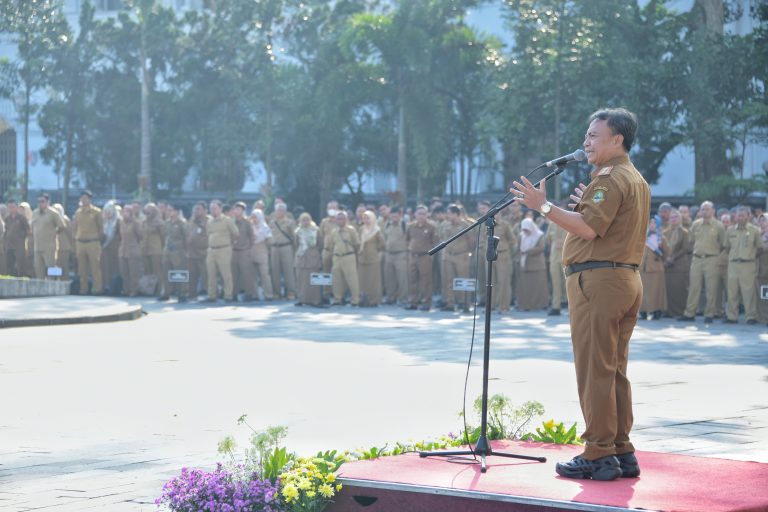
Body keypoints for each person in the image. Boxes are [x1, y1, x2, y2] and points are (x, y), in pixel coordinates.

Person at [511, 107, 649, 481]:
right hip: (621, 280)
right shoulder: (631, 178)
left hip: (600, 282)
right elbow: (599, 224)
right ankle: (620, 449)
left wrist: (541, 205)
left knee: (595, 370)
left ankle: (598, 453)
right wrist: (575, 209)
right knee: (613, 369)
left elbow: (587, 230)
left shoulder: (609, 178)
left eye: (593, 135)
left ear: (617, 139)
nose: (586, 142)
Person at [678, 201, 725, 323]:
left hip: (712, 259)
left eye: (707, 209)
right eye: (702, 209)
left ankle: (709, 314)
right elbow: (691, 241)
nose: (704, 211)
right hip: (697, 259)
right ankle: (689, 313)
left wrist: (714, 254)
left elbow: (724, 244)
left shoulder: (719, 226)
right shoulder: (695, 224)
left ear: (713, 211)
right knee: (694, 287)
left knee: (711, 288)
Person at [723, 206, 761, 324]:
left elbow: (759, 248)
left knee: (748, 292)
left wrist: (750, 256)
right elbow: (727, 247)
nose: (740, 218)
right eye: (738, 215)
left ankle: (750, 316)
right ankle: (732, 316)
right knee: (732, 291)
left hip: (748, 264)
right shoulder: (730, 230)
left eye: (743, 215)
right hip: (733, 264)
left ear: (748, 216)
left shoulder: (755, 230)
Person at [405, 206, 439, 311]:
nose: (421, 216)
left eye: (423, 214)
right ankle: (413, 302)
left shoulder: (431, 226)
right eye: (419, 213)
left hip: (425, 256)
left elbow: (435, 242)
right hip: (412, 256)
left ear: (427, 214)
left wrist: (431, 255)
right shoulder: (410, 226)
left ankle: (426, 302)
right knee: (412, 280)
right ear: (415, 214)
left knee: (426, 281)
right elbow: (407, 239)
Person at [440, 204, 473, 312]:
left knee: (462, 280)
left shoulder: (465, 225)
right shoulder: (444, 225)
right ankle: (450, 303)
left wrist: (468, 252)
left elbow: (471, 241)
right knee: (448, 280)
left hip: (461, 255)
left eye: (449, 213)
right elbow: (441, 238)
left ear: (456, 214)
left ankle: (464, 303)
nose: (447, 215)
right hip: (448, 256)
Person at [204, 199, 238, 303]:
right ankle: (212, 295)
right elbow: (208, 234)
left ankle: (228, 295)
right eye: (211, 209)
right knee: (211, 274)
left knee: (226, 274)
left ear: (220, 209)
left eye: (215, 208)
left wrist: (228, 245)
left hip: (224, 249)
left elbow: (236, 234)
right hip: (211, 250)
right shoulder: (209, 221)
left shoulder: (227, 220)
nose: (212, 210)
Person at [73, 190, 104, 294]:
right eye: (81, 198)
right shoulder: (78, 212)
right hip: (80, 242)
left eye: (85, 198)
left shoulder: (96, 212)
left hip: (93, 242)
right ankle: (83, 289)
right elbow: (75, 227)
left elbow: (101, 228)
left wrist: (98, 239)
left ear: (90, 199)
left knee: (95, 267)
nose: (83, 200)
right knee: (82, 269)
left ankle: (98, 288)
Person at [662, 208, 690, 317]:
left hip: (679, 264)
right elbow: (662, 248)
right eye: (672, 217)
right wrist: (666, 258)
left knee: (680, 289)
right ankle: (668, 311)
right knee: (669, 290)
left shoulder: (684, 232)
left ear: (680, 219)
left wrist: (673, 258)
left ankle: (680, 311)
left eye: (676, 217)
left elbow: (685, 248)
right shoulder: (665, 232)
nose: (674, 219)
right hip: (667, 265)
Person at [329, 211, 360, 306]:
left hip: (348, 256)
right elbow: (331, 245)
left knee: (352, 279)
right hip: (337, 256)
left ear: (346, 219)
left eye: (342, 218)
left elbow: (356, 243)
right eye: (338, 219)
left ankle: (355, 300)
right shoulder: (334, 231)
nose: (340, 220)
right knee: (336, 279)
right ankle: (337, 299)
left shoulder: (351, 230)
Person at [516, 217, 548, 310]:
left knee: (539, 286)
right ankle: (526, 305)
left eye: (527, 229)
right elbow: (518, 247)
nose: (525, 231)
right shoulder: (521, 236)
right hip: (525, 264)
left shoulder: (539, 235)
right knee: (526, 287)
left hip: (537, 265)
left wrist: (527, 251)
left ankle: (541, 305)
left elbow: (541, 248)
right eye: (524, 229)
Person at [639, 217, 667, 320]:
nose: (652, 224)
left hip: (656, 268)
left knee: (656, 291)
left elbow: (667, 252)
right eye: (650, 222)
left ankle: (656, 311)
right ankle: (643, 311)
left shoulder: (661, 238)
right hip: (643, 268)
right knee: (643, 291)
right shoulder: (642, 237)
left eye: (654, 223)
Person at [30, 193, 63, 279]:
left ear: (48, 202)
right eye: (38, 201)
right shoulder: (35, 213)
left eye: (42, 201)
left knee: (52, 267)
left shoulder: (53, 213)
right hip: (37, 247)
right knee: (38, 268)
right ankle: (41, 288)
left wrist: (53, 234)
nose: (40, 203)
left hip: (50, 247)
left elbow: (61, 226)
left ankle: (56, 283)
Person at [160, 204, 188, 302]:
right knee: (166, 272)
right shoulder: (167, 222)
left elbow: (186, 237)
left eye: (171, 210)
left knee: (179, 273)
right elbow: (164, 235)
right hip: (167, 250)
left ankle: (182, 293)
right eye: (168, 210)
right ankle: (166, 293)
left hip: (178, 251)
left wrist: (184, 250)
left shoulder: (182, 223)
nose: (169, 212)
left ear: (176, 211)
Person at [269, 202, 297, 300]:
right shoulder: (271, 222)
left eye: (282, 210)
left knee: (288, 271)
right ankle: (276, 293)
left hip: (286, 247)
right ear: (275, 211)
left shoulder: (290, 222)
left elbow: (294, 237)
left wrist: (295, 249)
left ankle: (291, 292)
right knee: (275, 271)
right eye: (278, 210)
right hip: (274, 248)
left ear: (285, 211)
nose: (279, 212)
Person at [357, 210, 385, 306]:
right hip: (362, 258)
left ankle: (374, 300)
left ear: (372, 218)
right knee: (362, 280)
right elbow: (358, 241)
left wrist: (374, 250)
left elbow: (382, 243)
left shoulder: (377, 230)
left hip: (373, 258)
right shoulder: (361, 229)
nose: (366, 220)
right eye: (364, 218)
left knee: (373, 280)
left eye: (368, 218)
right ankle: (362, 299)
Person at [294, 212, 322, 306]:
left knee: (313, 279)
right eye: (303, 220)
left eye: (307, 220)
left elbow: (320, 243)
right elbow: (296, 244)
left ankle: (315, 300)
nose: (305, 222)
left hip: (313, 257)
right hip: (301, 257)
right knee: (301, 279)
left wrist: (314, 252)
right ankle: (302, 299)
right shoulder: (298, 231)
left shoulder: (316, 230)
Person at [382, 207, 408, 305]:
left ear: (400, 215)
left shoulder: (404, 225)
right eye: (392, 216)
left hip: (401, 254)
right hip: (389, 254)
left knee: (402, 279)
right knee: (389, 278)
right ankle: (390, 298)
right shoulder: (387, 224)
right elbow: (385, 237)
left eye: (396, 216)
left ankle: (403, 299)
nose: (394, 218)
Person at [231, 202, 256, 301]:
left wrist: (249, 248)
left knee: (246, 274)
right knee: (233, 273)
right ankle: (233, 294)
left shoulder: (247, 222)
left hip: (244, 250)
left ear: (243, 211)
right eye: (235, 209)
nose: (236, 211)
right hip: (233, 250)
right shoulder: (230, 221)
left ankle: (249, 294)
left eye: (239, 209)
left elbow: (252, 236)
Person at [249, 209, 275, 301]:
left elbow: (271, 241)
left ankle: (269, 294)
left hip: (262, 252)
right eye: (253, 217)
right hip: (251, 252)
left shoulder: (265, 228)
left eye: (256, 217)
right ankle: (254, 295)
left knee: (265, 275)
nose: (254, 219)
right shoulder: (250, 227)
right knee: (252, 275)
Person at [118, 206, 143, 297]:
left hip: (133, 250)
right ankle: (126, 289)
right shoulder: (121, 223)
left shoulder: (136, 223)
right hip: (123, 250)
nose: (125, 214)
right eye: (123, 212)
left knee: (134, 272)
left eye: (127, 212)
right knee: (124, 272)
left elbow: (140, 236)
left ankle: (134, 290)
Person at [186, 201, 209, 299]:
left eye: (199, 209)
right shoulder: (191, 221)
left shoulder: (209, 221)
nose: (196, 211)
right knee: (192, 274)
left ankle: (210, 294)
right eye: (195, 209)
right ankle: (192, 294)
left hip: (204, 252)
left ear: (205, 210)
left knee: (206, 275)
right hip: (192, 252)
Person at [545, 217, 568, 315]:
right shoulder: (551, 225)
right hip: (554, 258)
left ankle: (571, 307)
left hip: (566, 258)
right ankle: (556, 306)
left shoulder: (567, 223)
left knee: (568, 283)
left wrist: (562, 242)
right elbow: (548, 239)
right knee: (555, 283)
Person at [141, 203, 164, 296]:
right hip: (145, 249)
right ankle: (149, 289)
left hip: (156, 249)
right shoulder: (144, 222)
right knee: (148, 271)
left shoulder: (159, 223)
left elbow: (163, 236)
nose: (147, 213)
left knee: (158, 270)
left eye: (149, 211)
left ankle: (160, 289)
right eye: (145, 211)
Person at [4, 199, 29, 277]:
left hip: (19, 246)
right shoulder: (7, 218)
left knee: (20, 265)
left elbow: (28, 230)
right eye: (10, 207)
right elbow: (6, 231)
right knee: (9, 264)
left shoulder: (22, 218)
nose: (11, 209)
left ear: (17, 207)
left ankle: (21, 279)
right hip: (9, 246)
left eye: (13, 207)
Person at [101, 201, 121, 293]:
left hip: (115, 249)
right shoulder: (103, 222)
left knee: (115, 268)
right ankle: (106, 286)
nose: (108, 213)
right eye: (106, 211)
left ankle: (115, 287)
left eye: (110, 211)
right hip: (105, 249)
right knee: (105, 268)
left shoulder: (118, 221)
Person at [51, 203, 74, 280]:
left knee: (63, 267)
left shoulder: (65, 219)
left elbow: (70, 233)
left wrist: (72, 246)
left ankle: (64, 282)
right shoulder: (50, 219)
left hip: (64, 248)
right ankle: (55, 282)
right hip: (53, 247)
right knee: (54, 266)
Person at [757, 214, 768, 325]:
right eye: (760, 221)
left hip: (766, 270)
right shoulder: (758, 235)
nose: (762, 223)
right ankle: (763, 317)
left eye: (764, 221)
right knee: (762, 296)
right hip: (758, 271)